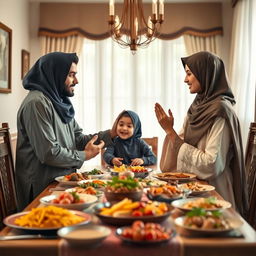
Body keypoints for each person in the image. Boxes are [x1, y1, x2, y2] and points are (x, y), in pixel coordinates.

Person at [15, 52, 117, 210]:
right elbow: (48, 153)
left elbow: (78, 140)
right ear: (54, 74)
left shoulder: (59, 101)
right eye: (71, 75)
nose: (76, 81)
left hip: (61, 185)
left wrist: (111, 134)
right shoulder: (36, 103)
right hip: (42, 192)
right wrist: (85, 155)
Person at [155, 51, 248, 218]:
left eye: (189, 73)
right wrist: (170, 131)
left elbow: (212, 165)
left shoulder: (221, 111)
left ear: (205, 74)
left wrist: (170, 132)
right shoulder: (196, 107)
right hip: (194, 190)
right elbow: (178, 149)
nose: (185, 79)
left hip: (215, 197)